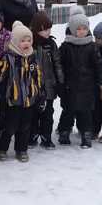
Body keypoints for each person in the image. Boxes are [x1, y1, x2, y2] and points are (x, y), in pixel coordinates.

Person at [57, 7, 102, 149]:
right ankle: (64, 132)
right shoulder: (66, 46)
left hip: (87, 88)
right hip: (70, 87)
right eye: (78, 29)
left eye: (84, 28)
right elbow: (59, 65)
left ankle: (86, 135)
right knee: (68, 111)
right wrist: (60, 83)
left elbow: (100, 66)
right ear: (72, 30)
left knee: (86, 114)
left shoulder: (92, 47)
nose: (81, 31)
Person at [0, 21, 43, 162]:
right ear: (15, 41)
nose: (26, 43)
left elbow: (38, 76)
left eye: (29, 40)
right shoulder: (8, 58)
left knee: (25, 127)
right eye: (22, 40)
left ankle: (21, 149)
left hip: (28, 100)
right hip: (12, 100)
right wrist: (1, 95)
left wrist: (39, 92)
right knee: (9, 126)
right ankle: (1, 148)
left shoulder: (32, 57)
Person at [29, 12, 64, 149]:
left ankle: (46, 137)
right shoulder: (29, 43)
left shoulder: (51, 44)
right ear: (37, 29)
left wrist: (60, 82)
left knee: (47, 114)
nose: (48, 32)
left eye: (49, 29)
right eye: (45, 29)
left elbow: (58, 64)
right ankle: (32, 136)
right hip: (33, 87)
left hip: (49, 86)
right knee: (33, 113)